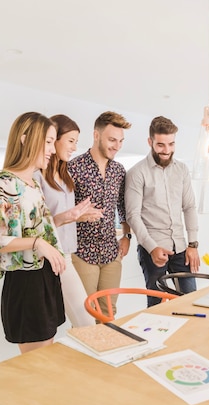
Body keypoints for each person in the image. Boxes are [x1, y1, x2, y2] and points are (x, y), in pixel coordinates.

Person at [0, 111, 66, 354]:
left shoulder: (33, 184)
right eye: (48, 142)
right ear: (26, 139)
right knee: (37, 363)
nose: (53, 150)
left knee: (48, 352)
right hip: (26, 283)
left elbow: (41, 228)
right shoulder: (2, 184)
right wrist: (37, 243)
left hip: (44, 278)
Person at [125, 116, 200, 306]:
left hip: (181, 248)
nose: (167, 150)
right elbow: (132, 215)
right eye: (160, 145)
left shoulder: (182, 170)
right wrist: (152, 247)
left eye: (171, 144)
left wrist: (193, 244)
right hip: (153, 248)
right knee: (157, 304)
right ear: (150, 142)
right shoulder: (137, 173)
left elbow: (189, 206)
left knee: (191, 300)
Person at [38, 114, 102, 327]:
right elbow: (41, 224)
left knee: (84, 321)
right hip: (48, 258)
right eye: (71, 141)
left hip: (65, 254)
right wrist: (67, 217)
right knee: (84, 322)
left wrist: (80, 216)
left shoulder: (64, 175)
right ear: (54, 139)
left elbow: (61, 216)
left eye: (76, 141)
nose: (75, 147)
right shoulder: (38, 176)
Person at [68, 111, 132, 318]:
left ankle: (108, 350)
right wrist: (78, 216)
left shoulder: (119, 171)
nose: (117, 146)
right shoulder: (73, 167)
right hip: (82, 252)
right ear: (96, 135)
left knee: (108, 313)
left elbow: (122, 205)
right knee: (86, 315)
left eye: (120, 141)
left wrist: (127, 235)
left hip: (111, 252)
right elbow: (60, 211)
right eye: (112, 139)